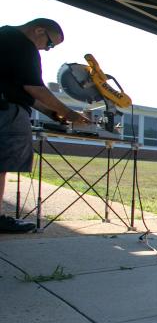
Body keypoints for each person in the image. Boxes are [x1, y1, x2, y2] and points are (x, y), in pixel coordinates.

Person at [0, 19, 90, 233]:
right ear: (38, 30)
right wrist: (68, 112)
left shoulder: (4, 36)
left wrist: (51, 112)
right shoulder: (24, 45)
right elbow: (35, 88)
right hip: (5, 112)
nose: (47, 49)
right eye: (49, 44)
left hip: (7, 100)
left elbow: (19, 88)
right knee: (1, 165)